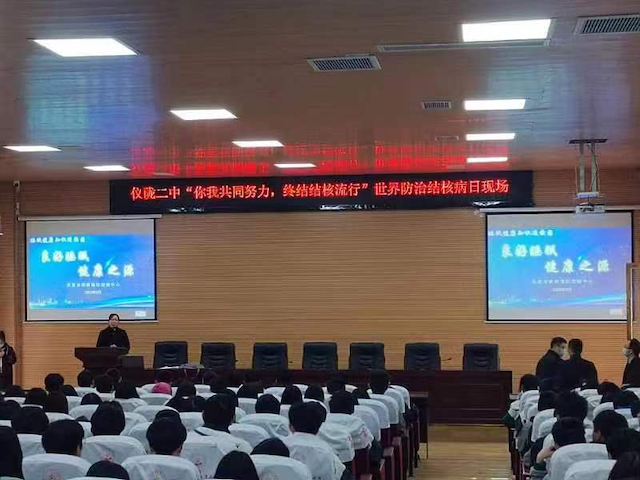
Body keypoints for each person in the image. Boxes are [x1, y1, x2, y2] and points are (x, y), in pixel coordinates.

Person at [283, 402, 346, 480]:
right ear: (319, 427)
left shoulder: (281, 445)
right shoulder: (327, 451)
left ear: (290, 426)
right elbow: (339, 473)